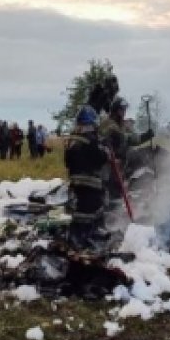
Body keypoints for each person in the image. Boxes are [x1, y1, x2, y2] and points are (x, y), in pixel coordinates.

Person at [64, 106, 109, 249]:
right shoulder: (91, 140)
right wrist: (106, 152)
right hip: (91, 183)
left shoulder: (71, 139)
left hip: (76, 183)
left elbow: (67, 162)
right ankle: (86, 237)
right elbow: (99, 159)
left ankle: (77, 236)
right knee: (90, 212)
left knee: (80, 211)